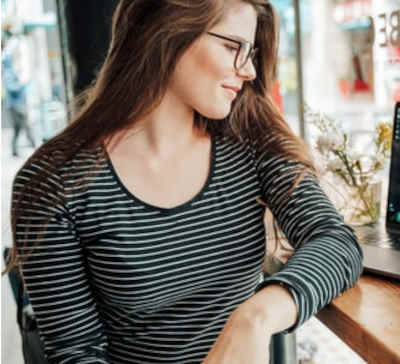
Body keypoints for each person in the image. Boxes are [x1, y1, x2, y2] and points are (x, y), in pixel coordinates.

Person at [6, 1, 363, 363]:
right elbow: (76, 354)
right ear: (164, 33)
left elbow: (337, 242)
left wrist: (254, 319)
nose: (250, 70)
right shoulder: (53, 183)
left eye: (251, 51)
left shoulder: (252, 144)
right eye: (232, 46)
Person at [2, 26, 37, 157]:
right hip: (15, 102)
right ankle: (33, 146)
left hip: (15, 102)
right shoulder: (8, 70)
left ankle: (19, 149)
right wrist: (22, 84)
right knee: (25, 125)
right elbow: (12, 86)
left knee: (19, 127)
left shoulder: (11, 69)